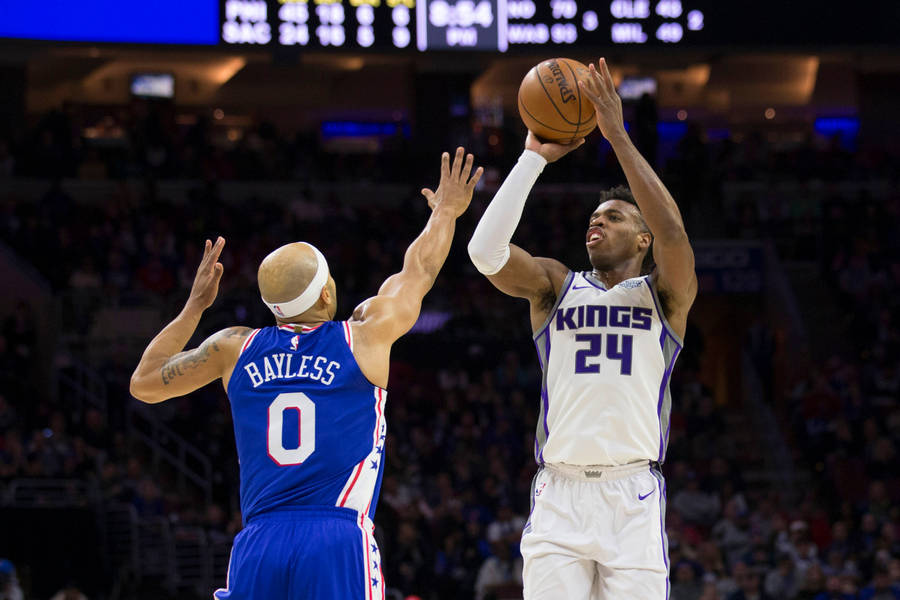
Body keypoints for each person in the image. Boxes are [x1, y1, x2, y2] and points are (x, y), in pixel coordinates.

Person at [130, 148, 483, 599]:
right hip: (335, 538)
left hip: (259, 542)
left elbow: (144, 382)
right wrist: (446, 213)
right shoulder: (365, 335)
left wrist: (195, 306)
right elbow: (420, 269)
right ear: (326, 295)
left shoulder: (232, 348)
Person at [468, 57, 697, 598]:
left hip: (632, 495)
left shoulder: (665, 295)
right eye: (596, 216)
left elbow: (673, 229)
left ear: (643, 241)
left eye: (615, 217)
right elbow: (484, 253)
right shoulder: (555, 285)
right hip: (560, 492)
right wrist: (530, 159)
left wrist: (617, 136)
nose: (598, 220)